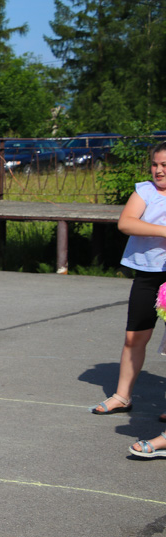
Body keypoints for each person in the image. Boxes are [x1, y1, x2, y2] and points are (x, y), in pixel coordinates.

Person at [96, 143, 166, 432]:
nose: (159, 170)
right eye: (155, 164)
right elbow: (126, 223)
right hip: (148, 275)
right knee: (134, 336)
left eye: (164, 166)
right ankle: (122, 396)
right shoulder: (145, 191)